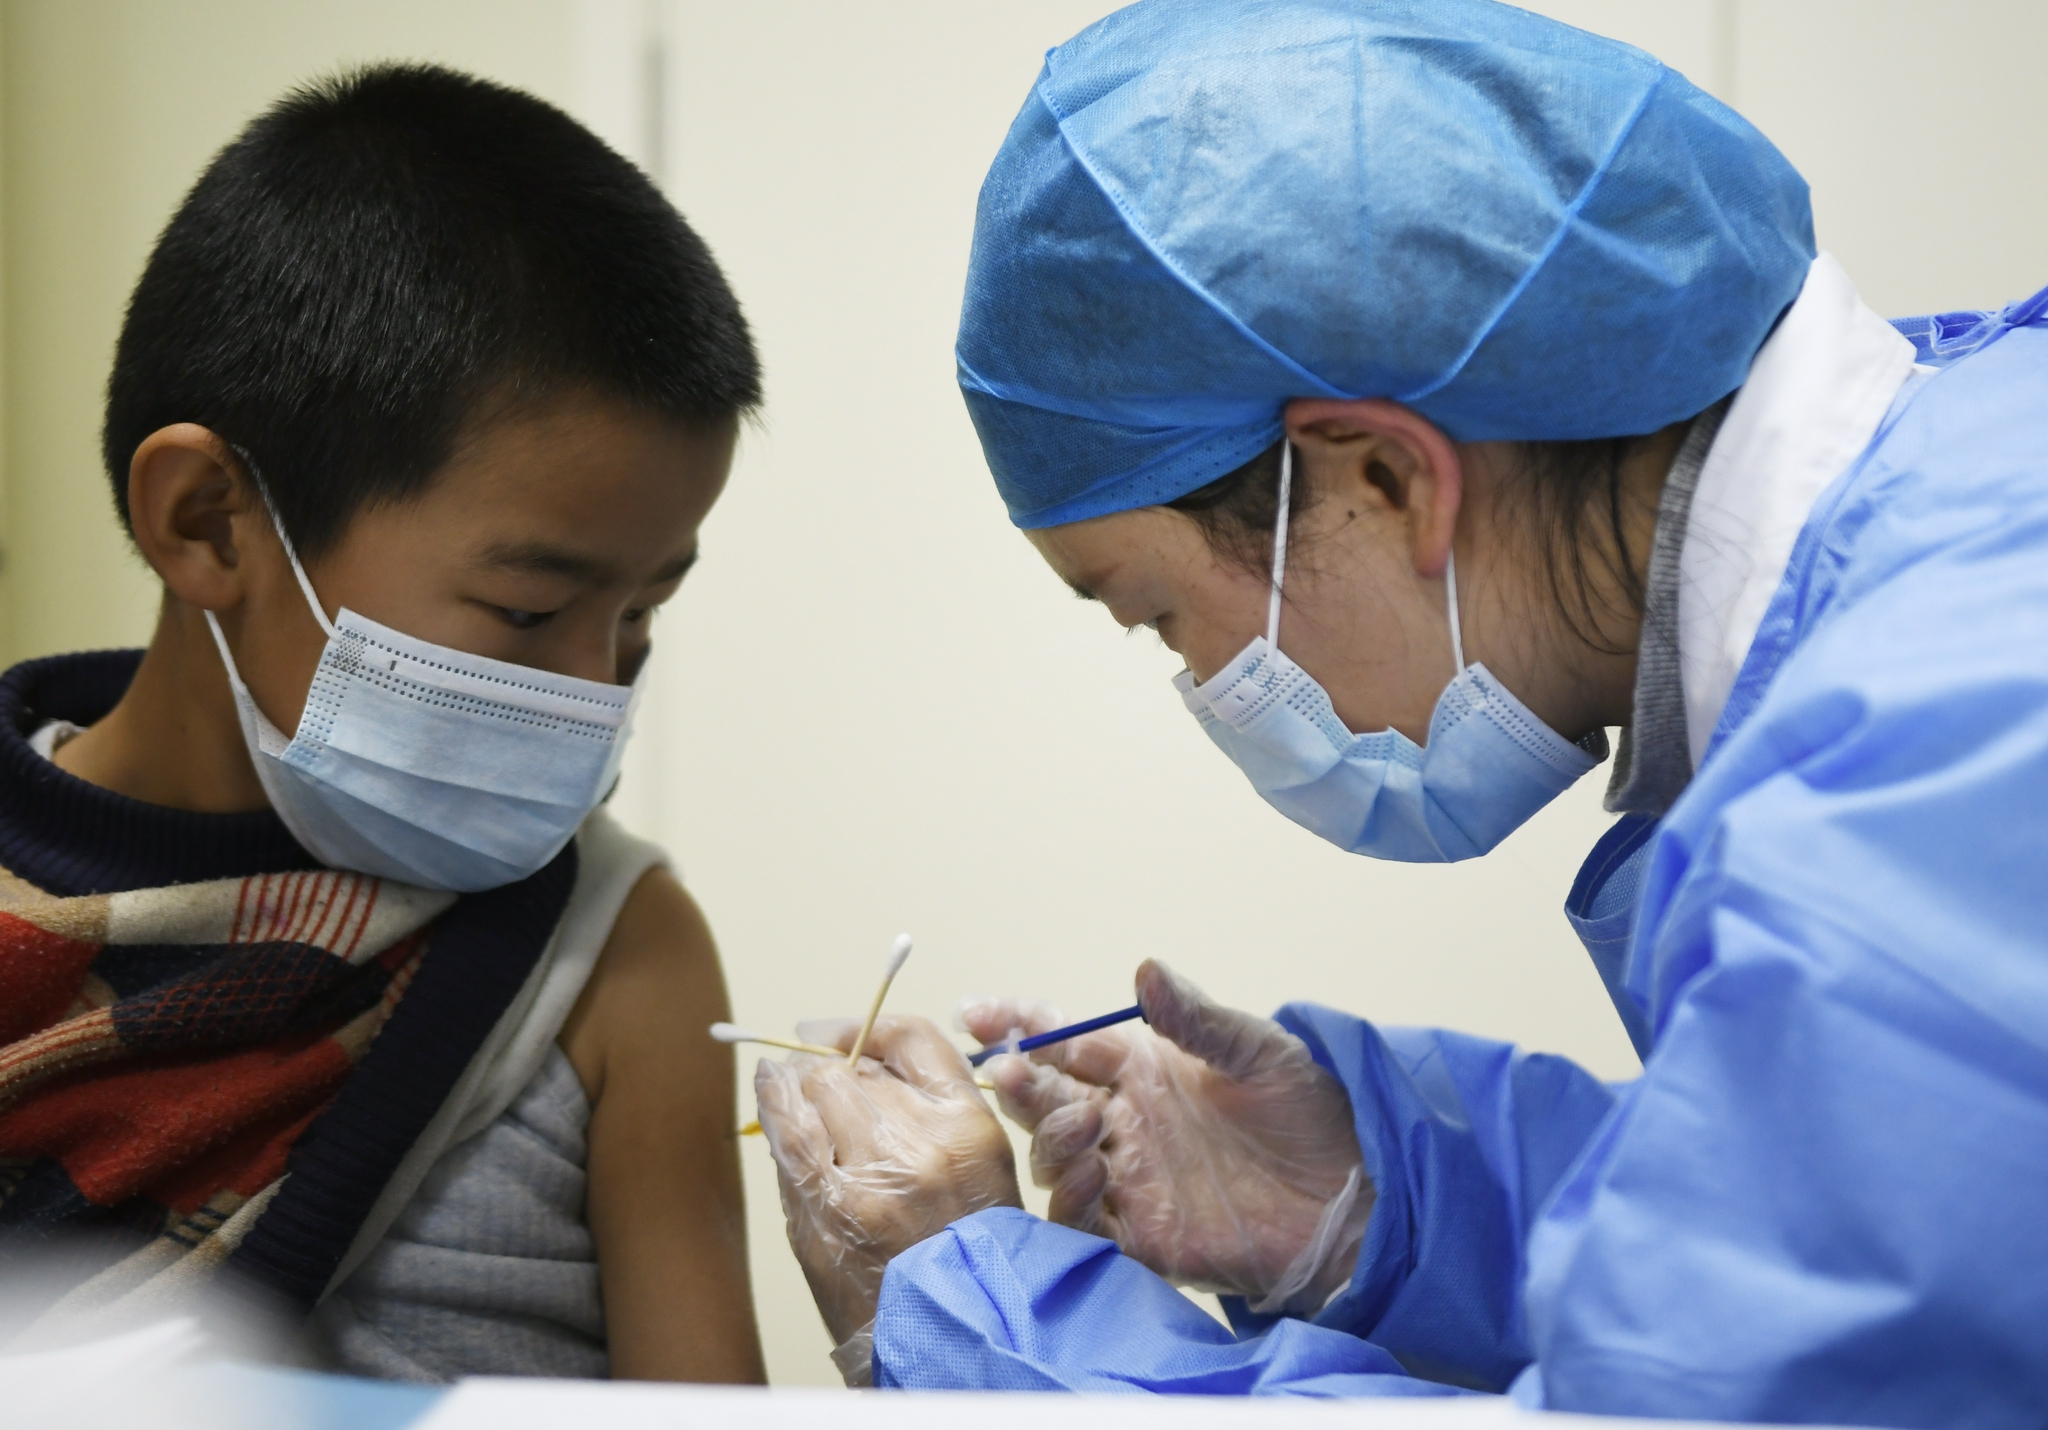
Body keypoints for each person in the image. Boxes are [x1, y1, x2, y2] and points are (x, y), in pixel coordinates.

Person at [753, 0, 2048, 1422]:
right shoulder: (1967, 519)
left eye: (1158, 615)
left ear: (1386, 477)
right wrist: (1372, 1203)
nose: (1199, 687)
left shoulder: (1925, 766)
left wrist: (981, 1325)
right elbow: (1828, 1230)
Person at [0, 65, 766, 1383]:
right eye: (530, 611)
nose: (595, 689)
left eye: (642, 614)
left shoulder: (619, 956)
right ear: (208, 520)